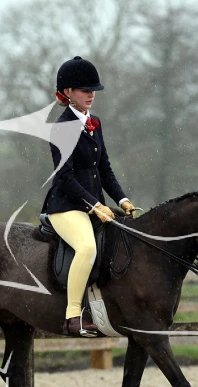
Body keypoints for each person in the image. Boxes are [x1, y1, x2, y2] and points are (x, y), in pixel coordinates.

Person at [41, 56, 136, 337]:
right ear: (68, 92)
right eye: (85, 90)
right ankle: (72, 317)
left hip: (94, 205)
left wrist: (122, 200)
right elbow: (65, 177)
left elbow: (104, 169)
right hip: (66, 206)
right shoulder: (61, 127)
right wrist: (94, 204)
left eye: (94, 90)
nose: (91, 94)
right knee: (86, 248)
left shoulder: (95, 123)